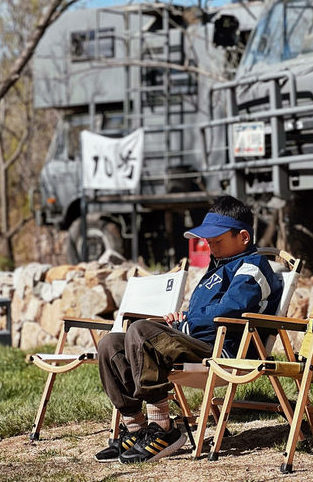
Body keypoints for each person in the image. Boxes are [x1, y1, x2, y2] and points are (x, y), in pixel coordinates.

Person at [95, 194, 283, 464]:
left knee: (140, 331)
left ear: (243, 237)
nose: (210, 248)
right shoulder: (219, 267)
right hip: (197, 342)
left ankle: (163, 429)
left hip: (224, 351)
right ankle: (135, 427)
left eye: (216, 241)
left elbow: (228, 310)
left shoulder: (251, 268)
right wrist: (180, 318)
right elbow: (203, 313)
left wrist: (186, 323)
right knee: (110, 344)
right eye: (208, 242)